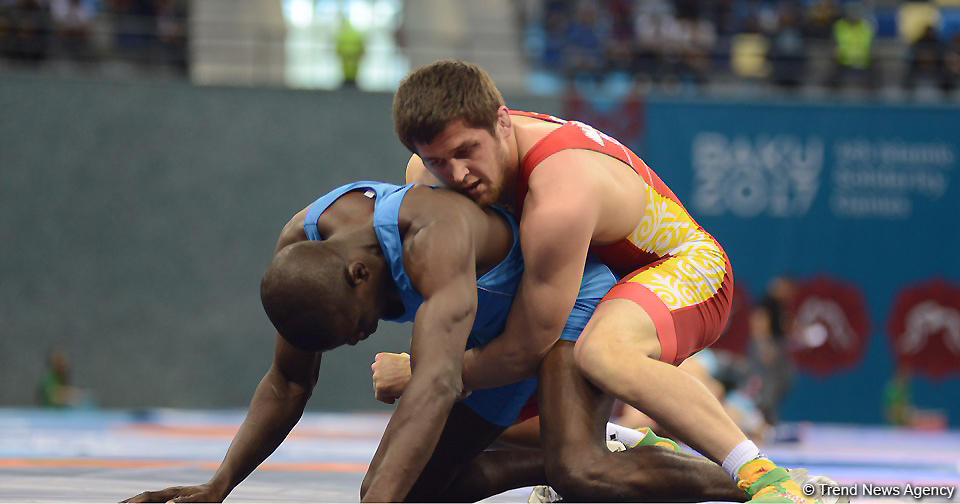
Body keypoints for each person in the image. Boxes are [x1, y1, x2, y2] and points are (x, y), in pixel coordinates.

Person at [124, 181, 744, 503]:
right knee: (411, 492)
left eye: (357, 326)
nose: (361, 339)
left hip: (562, 306)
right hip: (488, 334)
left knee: (582, 474)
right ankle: (571, 449)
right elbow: (289, 380)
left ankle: (766, 488)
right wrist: (219, 486)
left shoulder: (431, 236)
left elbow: (440, 381)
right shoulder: (302, 254)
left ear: (362, 273)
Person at [381, 59, 822, 503]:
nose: (457, 175)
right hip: (594, 281)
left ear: (502, 122)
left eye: (465, 151)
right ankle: (623, 443)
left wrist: (429, 372)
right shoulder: (425, 177)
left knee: (602, 353)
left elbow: (525, 346)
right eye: (438, 160)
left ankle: (767, 479)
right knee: (491, 416)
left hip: (687, 267)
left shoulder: (561, 192)